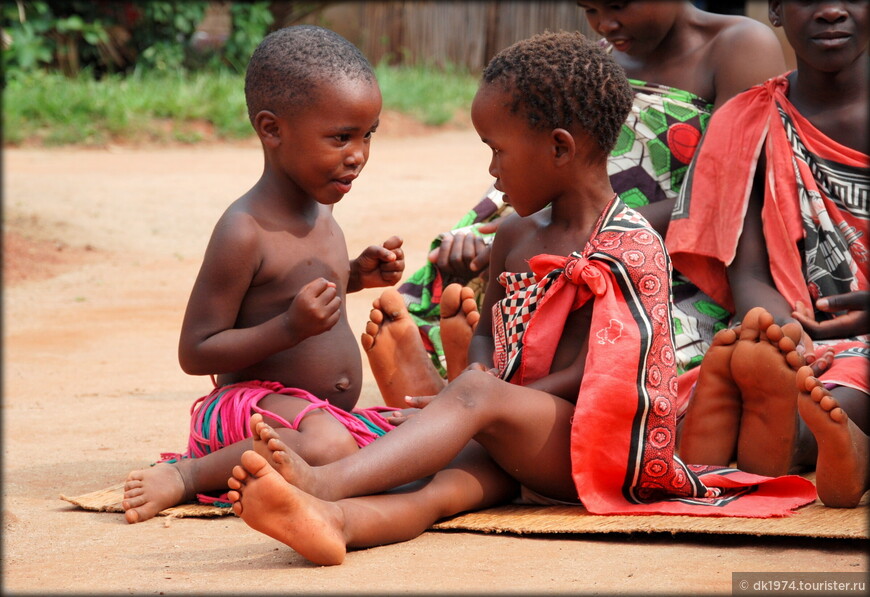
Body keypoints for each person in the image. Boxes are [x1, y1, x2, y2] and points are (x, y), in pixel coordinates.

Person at [224, 32, 815, 566]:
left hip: (595, 444)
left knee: (465, 405)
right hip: (520, 428)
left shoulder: (630, 246)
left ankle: (327, 483)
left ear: (559, 148)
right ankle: (336, 523)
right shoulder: (513, 233)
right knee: (439, 490)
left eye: (498, 150)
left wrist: (475, 399)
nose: (491, 169)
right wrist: (476, 384)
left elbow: (595, 376)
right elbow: (491, 335)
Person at [384, 0, 788, 399]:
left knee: (640, 363)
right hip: (563, 226)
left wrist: (589, 241)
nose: (604, 24)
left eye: (616, 6)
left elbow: (717, 194)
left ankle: (467, 397)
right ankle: (460, 381)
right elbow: (534, 160)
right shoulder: (595, 62)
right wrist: (485, 231)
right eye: (589, 9)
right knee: (452, 279)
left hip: (669, 258)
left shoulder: (740, 46)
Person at [121, 25, 406, 524]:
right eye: (341, 137)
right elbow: (196, 350)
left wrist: (356, 276)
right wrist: (288, 329)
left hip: (317, 420)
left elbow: (288, 289)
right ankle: (189, 476)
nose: (358, 154)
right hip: (248, 413)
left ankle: (309, 474)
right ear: (272, 130)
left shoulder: (323, 211)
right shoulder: (243, 230)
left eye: (368, 135)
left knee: (426, 433)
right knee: (333, 445)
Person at [670, 0, 868, 507]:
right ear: (777, 10)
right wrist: (783, 334)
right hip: (809, 331)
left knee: (845, 385)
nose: (830, 11)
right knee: (790, 374)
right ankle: (793, 437)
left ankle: (797, 442)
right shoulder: (750, 121)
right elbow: (749, 268)